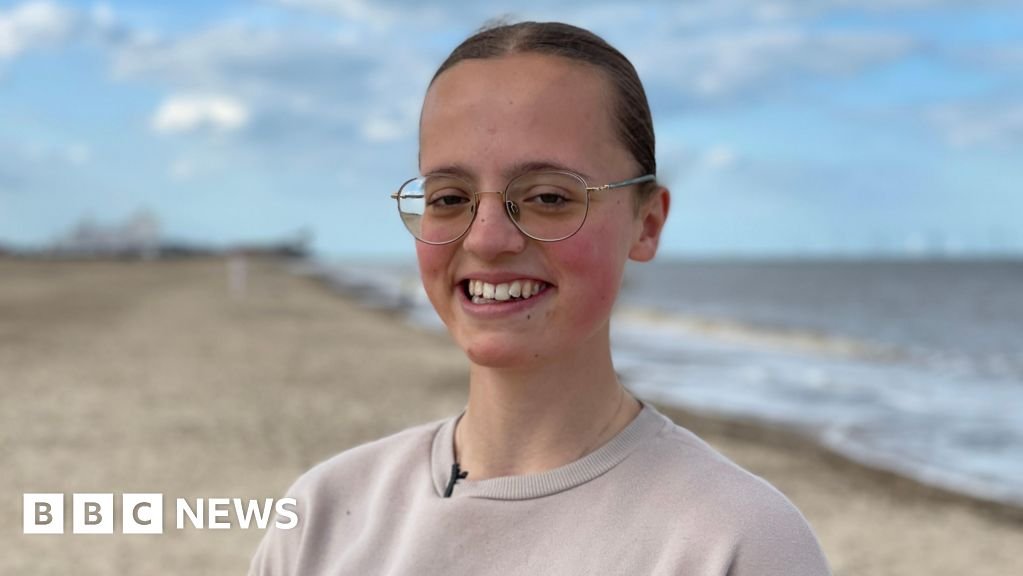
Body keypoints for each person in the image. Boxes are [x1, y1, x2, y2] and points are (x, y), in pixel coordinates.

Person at [250, 21, 831, 575]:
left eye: (549, 197)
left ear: (647, 223)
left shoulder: (738, 541)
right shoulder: (322, 515)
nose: (486, 239)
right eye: (449, 198)